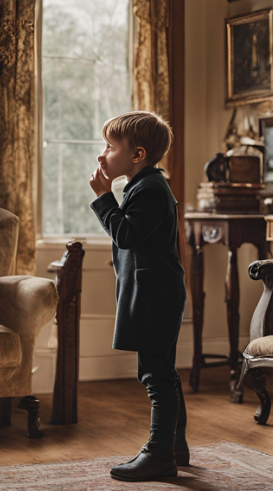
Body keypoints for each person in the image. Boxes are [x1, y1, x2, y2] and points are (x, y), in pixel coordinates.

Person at [88, 111, 189, 482]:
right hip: (153, 292)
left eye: (110, 147)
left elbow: (125, 235)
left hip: (155, 295)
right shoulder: (143, 185)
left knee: (155, 374)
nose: (102, 155)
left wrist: (103, 197)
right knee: (163, 371)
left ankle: (160, 455)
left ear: (137, 154)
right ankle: (176, 446)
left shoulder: (149, 189)